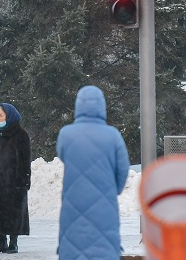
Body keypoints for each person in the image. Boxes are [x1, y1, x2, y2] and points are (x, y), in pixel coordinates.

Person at [56, 85, 130, 260]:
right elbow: (123, 168)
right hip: (105, 207)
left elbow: (62, 155)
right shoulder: (113, 136)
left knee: (73, 248)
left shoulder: (66, 134)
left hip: (72, 204)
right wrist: (113, 190)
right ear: (102, 106)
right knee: (103, 246)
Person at [0, 103, 31, 254]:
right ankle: (1, 242)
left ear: (9, 116)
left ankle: (13, 243)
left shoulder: (21, 135)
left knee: (13, 212)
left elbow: (25, 160)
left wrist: (23, 181)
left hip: (13, 182)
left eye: (1, 115)